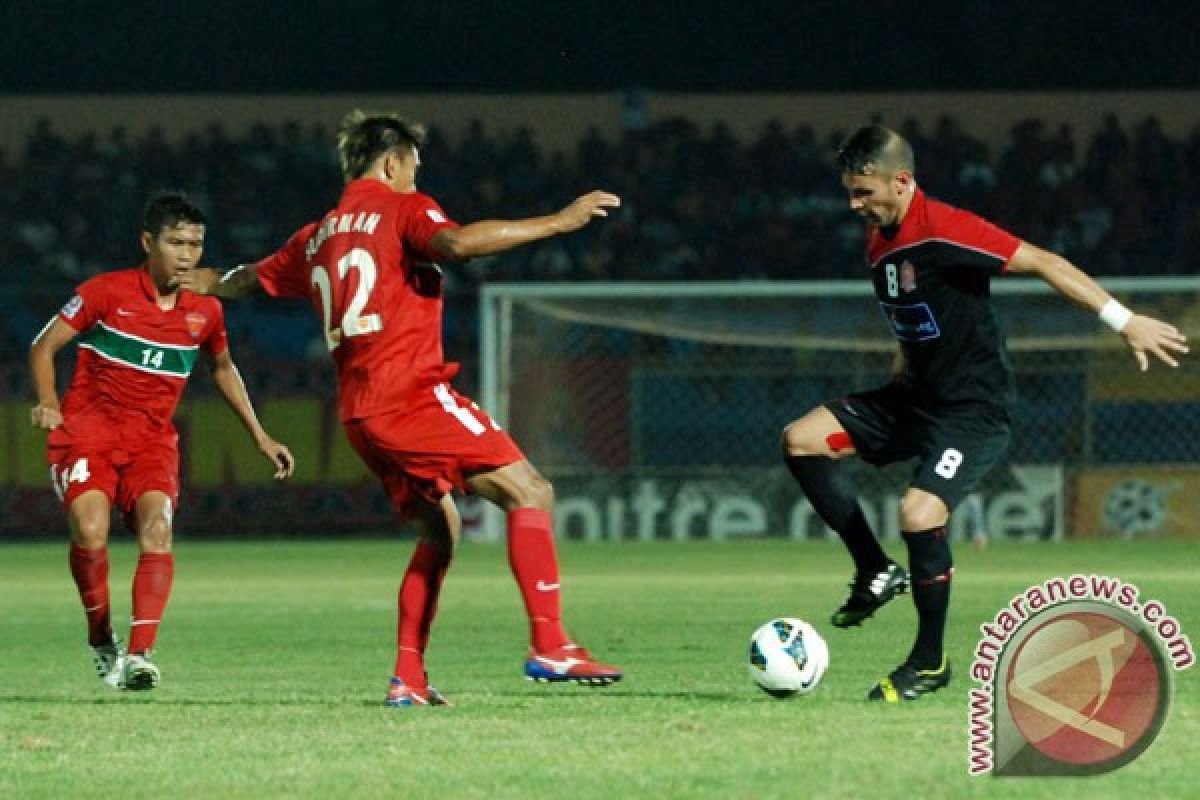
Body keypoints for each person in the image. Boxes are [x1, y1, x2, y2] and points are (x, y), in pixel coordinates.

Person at [179, 110, 624, 707]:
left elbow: (241, 280)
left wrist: (189, 278)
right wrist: (560, 221)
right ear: (393, 161)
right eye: (414, 165)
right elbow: (461, 244)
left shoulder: (316, 235)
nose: (416, 177)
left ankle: (407, 679)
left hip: (360, 415)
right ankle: (551, 645)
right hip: (410, 394)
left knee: (439, 533)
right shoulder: (402, 208)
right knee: (531, 491)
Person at [781, 125, 1187, 703]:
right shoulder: (879, 235)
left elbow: (1047, 261)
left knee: (919, 514)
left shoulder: (945, 228)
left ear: (902, 180)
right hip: (912, 398)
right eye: (848, 191)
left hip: (971, 413)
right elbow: (915, 312)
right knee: (800, 438)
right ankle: (874, 570)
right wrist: (905, 363)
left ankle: (929, 662)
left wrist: (1124, 321)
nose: (854, 204)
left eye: (863, 192)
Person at [30, 192, 295, 692]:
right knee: (90, 530)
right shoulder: (104, 293)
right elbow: (44, 345)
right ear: (148, 242)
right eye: (175, 243)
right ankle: (99, 637)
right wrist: (48, 399)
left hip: (152, 444)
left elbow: (223, 369)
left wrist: (260, 435)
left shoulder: (205, 311)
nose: (186, 255)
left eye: (195, 244)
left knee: (157, 531)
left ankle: (140, 654)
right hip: (87, 436)